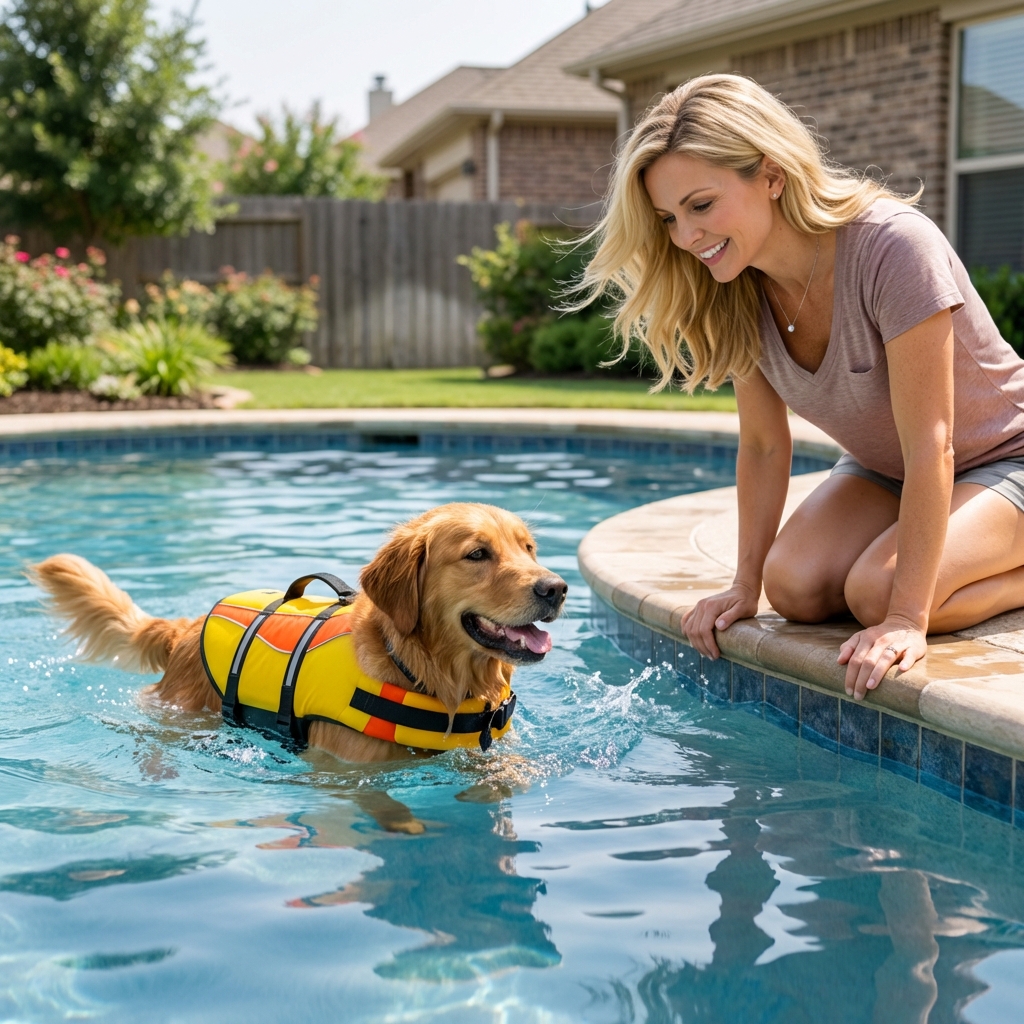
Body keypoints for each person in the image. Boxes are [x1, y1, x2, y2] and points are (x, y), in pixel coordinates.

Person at [578, 74, 1024, 701]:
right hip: (885, 469)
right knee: (794, 587)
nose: (685, 237)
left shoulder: (893, 246)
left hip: (1006, 457)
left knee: (876, 593)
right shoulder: (733, 286)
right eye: (669, 218)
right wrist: (743, 584)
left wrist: (905, 619)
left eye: (701, 206)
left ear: (772, 174)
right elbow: (763, 445)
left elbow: (935, 445)